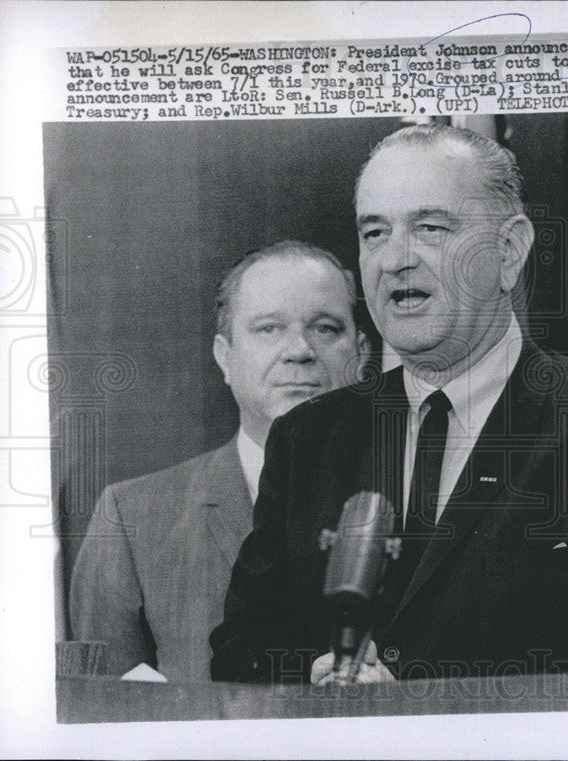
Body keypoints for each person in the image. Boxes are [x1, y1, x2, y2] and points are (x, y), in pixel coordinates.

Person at [210, 124, 568, 689]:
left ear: (509, 252)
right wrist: (317, 679)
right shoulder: (308, 438)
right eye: (375, 233)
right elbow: (242, 652)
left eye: (430, 228)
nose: (395, 260)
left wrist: (425, 712)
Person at [70, 240, 370, 681]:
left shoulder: (412, 491)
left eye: (325, 328)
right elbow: (101, 712)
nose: (300, 350)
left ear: (361, 355)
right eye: (269, 329)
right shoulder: (131, 517)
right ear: (224, 357)